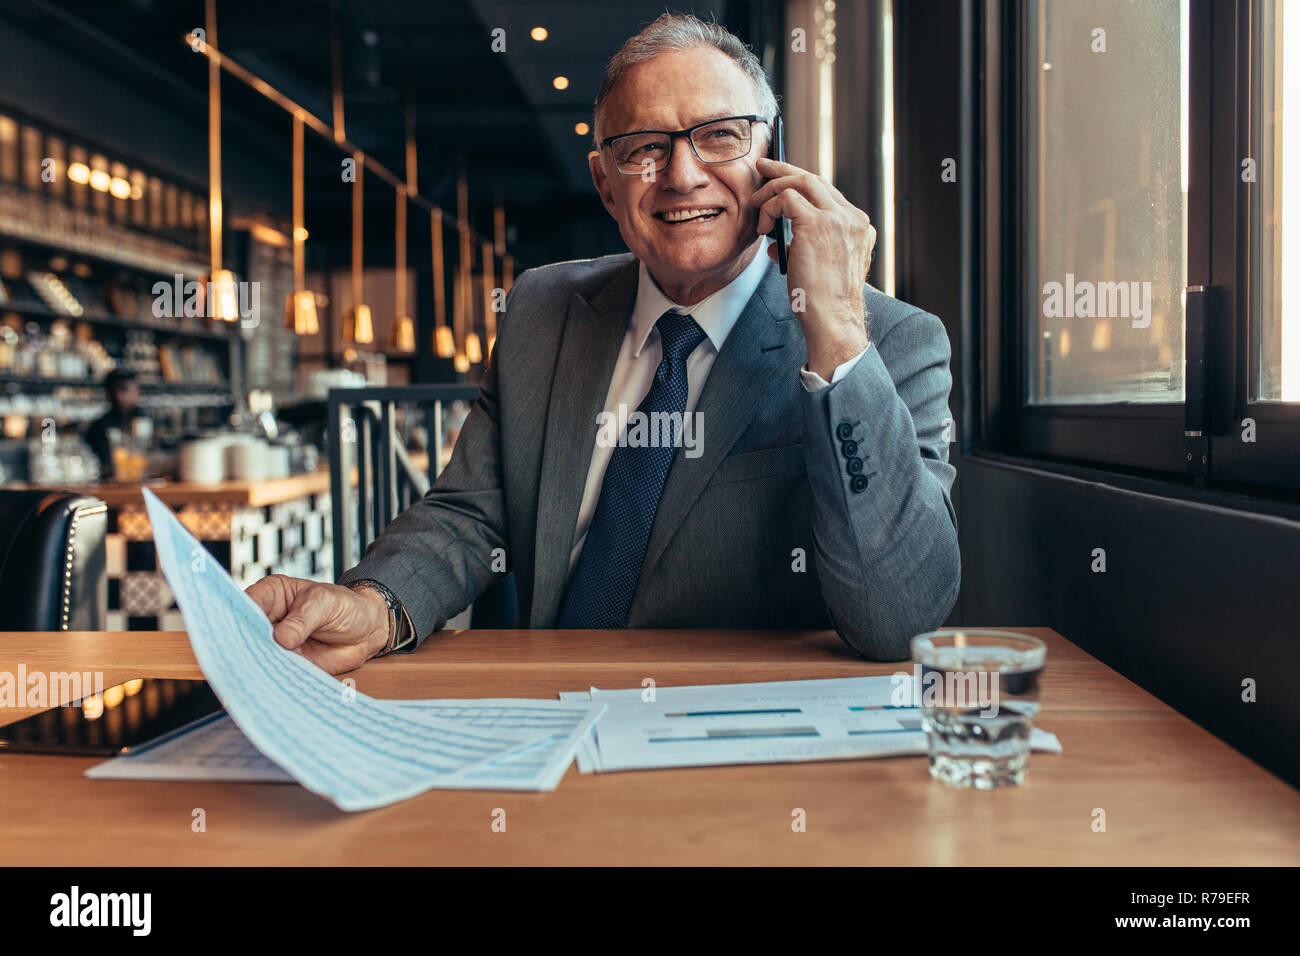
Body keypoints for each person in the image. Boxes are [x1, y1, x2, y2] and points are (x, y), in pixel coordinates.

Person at [246, 13, 959, 674]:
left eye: (720, 136)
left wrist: (835, 330)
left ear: (770, 158)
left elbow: (896, 619)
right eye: (644, 147)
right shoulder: (541, 308)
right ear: (605, 184)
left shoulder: (888, 341)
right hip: (547, 707)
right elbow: (470, 514)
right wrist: (377, 605)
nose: (682, 175)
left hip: (736, 734)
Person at [84, 369, 146, 472]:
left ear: (137, 391)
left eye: (124, 389)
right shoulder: (99, 427)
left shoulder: (149, 421)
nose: (118, 396)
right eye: (113, 391)